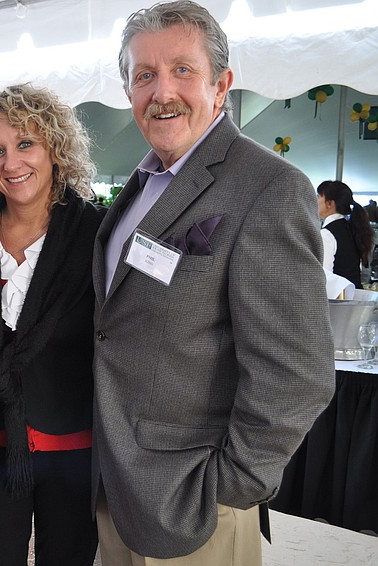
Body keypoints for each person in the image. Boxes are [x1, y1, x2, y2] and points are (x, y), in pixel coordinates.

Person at [91, 2, 336, 564]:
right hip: (117, 487)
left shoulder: (268, 187)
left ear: (221, 85)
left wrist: (231, 484)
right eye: (144, 75)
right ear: (128, 91)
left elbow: (297, 371)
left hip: (194, 504)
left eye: (182, 70)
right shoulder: (143, 182)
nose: (162, 92)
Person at [0, 83, 102, 565]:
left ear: (55, 147)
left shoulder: (97, 232)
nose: (11, 163)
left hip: (71, 442)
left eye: (25, 144)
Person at [317, 180, 372, 288]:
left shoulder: (327, 234)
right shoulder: (352, 228)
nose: (316, 201)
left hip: (338, 296)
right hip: (353, 293)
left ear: (330, 204)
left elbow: (325, 277)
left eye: (318, 196)